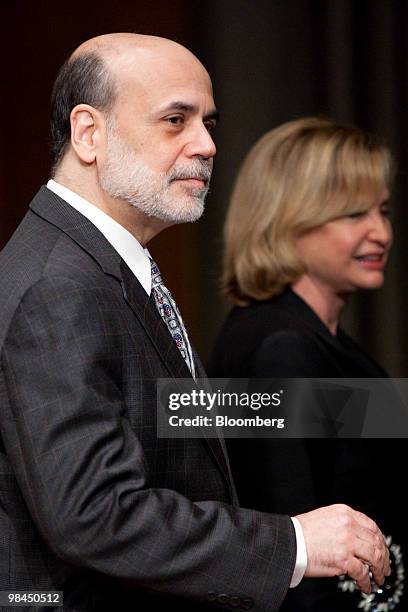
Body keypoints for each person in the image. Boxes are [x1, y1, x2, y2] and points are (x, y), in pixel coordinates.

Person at [0, 39, 390, 612]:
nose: (207, 145)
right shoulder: (61, 285)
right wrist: (297, 542)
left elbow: (173, 414)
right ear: (88, 134)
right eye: (175, 120)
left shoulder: (106, 270)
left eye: (208, 122)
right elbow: (95, 513)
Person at [209, 116, 405, 611]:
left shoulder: (313, 338)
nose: (380, 232)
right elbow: (289, 546)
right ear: (287, 218)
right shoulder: (280, 347)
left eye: (382, 210)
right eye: (352, 213)